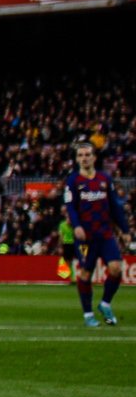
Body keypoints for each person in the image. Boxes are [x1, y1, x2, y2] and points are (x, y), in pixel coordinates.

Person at [62, 139, 126, 328]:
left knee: (116, 269)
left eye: (87, 154)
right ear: (76, 159)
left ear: (94, 157)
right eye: (80, 155)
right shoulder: (73, 180)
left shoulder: (105, 179)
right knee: (85, 274)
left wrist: (125, 229)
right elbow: (70, 207)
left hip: (105, 234)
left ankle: (105, 303)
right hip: (85, 237)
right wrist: (76, 226)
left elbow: (115, 205)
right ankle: (88, 314)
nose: (84, 158)